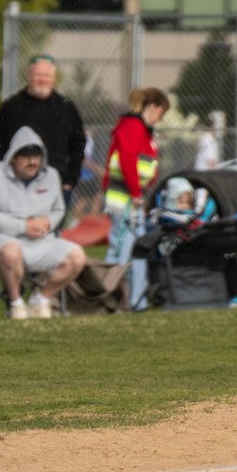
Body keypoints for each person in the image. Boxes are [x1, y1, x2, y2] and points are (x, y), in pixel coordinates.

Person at [0, 126, 86, 319]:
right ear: (13, 157)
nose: (32, 161)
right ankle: (16, 305)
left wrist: (47, 223)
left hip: (41, 240)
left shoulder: (51, 176)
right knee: (11, 252)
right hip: (0, 237)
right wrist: (23, 226)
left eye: (36, 156)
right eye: (25, 156)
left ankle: (40, 298)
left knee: (77, 257)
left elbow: (59, 209)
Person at [0, 54, 86, 214]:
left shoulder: (66, 108)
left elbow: (78, 145)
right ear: (29, 76)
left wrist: (70, 180)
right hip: (16, 185)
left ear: (54, 78)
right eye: (37, 75)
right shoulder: (11, 107)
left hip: (56, 184)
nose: (42, 79)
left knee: (50, 234)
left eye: (46, 75)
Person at [103, 87, 169, 310]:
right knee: (120, 249)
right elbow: (128, 159)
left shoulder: (143, 130)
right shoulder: (132, 126)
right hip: (125, 200)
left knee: (139, 248)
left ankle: (137, 300)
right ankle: (109, 298)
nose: (161, 118)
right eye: (161, 112)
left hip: (134, 199)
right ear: (154, 107)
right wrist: (136, 192)